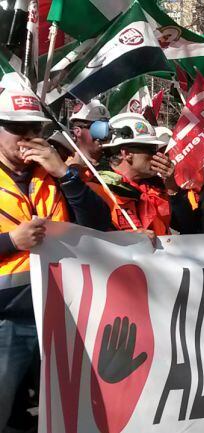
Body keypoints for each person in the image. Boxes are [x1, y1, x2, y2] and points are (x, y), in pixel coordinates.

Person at [0, 79, 111, 430]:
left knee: (62, 415)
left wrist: (64, 173)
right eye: (17, 128)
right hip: (7, 320)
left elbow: (98, 226)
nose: (27, 136)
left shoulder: (55, 175)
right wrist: (10, 242)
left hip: (61, 315)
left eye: (34, 128)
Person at [88, 113, 194, 237]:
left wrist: (172, 187)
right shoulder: (97, 190)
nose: (157, 156)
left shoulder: (156, 188)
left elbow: (188, 226)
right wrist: (128, 240)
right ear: (126, 153)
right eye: (151, 150)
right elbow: (92, 242)